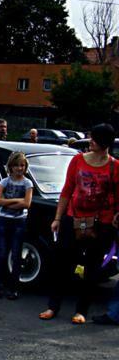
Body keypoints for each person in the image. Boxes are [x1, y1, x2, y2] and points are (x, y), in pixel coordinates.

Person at [39, 123, 119, 324]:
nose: (90, 141)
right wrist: (57, 218)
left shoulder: (114, 166)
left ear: (104, 143)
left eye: (94, 138)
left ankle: (81, 311)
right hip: (72, 219)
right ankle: (52, 307)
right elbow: (66, 190)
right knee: (63, 265)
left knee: (92, 269)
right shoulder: (77, 160)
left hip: (102, 224)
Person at [0, 152, 33, 300]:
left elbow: (27, 203)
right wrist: (17, 201)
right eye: (16, 165)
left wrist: (6, 201)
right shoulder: (4, 181)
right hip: (4, 219)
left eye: (22, 165)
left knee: (16, 255)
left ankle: (13, 287)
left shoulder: (28, 183)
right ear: (11, 167)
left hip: (19, 220)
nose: (19, 168)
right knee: (1, 253)